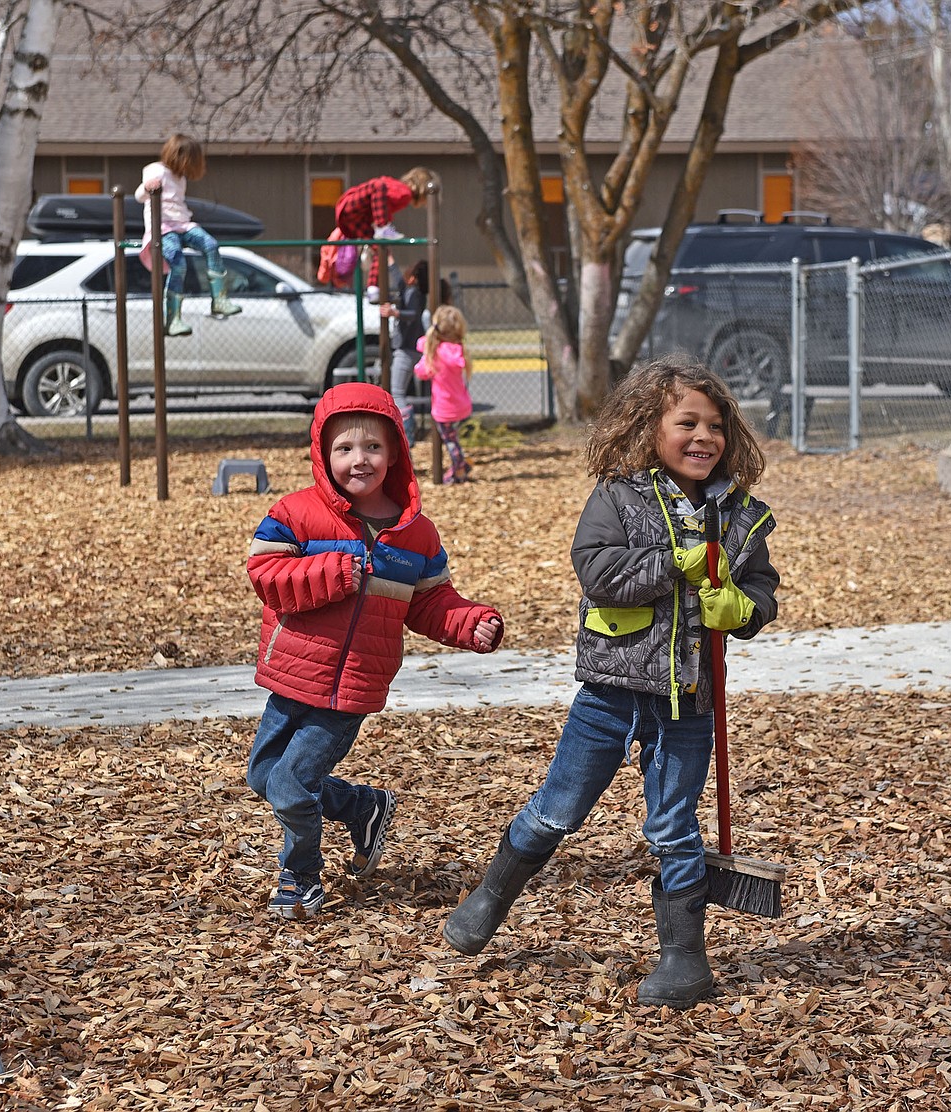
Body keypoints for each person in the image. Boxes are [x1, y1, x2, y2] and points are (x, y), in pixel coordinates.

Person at [442, 355, 779, 1010]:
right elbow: (597, 570)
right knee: (557, 809)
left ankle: (685, 960)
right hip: (610, 693)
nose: (704, 436)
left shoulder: (741, 517)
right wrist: (675, 564)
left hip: (688, 698)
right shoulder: (620, 496)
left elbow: (762, 590)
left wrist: (741, 607)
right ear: (649, 426)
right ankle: (490, 896)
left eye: (716, 424)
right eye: (687, 422)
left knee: (674, 826)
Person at [244, 381, 504, 920]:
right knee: (264, 776)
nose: (357, 460)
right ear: (322, 453)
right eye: (343, 449)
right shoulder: (296, 514)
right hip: (292, 672)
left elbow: (432, 602)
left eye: (371, 448)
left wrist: (472, 622)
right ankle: (363, 806)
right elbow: (266, 574)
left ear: (395, 455)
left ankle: (301, 876)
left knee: (291, 786)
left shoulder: (415, 535)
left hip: (353, 686)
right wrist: (336, 572)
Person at [135, 133, 241, 337]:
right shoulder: (157, 170)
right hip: (163, 227)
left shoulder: (180, 178)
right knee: (178, 263)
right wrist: (149, 187)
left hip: (182, 224)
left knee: (210, 244)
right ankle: (173, 319)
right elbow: (140, 195)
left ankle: (219, 299)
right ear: (181, 156)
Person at [335, 168, 439, 302]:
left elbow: (383, 205)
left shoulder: (399, 190)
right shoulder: (404, 193)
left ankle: (373, 289)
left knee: (381, 249)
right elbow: (379, 189)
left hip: (354, 215)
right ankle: (382, 228)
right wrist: (382, 224)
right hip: (353, 209)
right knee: (378, 188)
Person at [415, 305, 473, 484]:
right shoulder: (458, 348)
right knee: (452, 436)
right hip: (461, 404)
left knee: (450, 441)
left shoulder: (435, 352)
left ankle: (460, 467)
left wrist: (426, 350)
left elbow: (421, 372)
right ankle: (460, 466)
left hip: (444, 408)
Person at [380, 259, 431, 448]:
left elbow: (412, 314)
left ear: (413, 278)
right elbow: (398, 281)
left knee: (397, 392)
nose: (403, 278)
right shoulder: (411, 290)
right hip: (409, 348)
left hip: (407, 349)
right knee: (397, 392)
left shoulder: (415, 294)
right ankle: (406, 431)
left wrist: (395, 313)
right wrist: (390, 259)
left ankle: (407, 431)